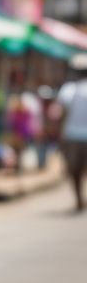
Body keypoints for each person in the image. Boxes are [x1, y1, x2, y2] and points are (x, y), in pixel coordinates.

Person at [57, 59, 87, 212]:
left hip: (72, 135)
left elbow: (61, 114)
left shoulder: (68, 89)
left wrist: (59, 137)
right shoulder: (68, 90)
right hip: (73, 134)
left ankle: (79, 200)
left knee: (74, 170)